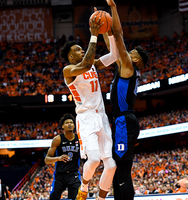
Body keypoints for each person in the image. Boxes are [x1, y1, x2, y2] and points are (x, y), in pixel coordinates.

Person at [60, 10, 118, 200]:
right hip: (85, 118)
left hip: (101, 116)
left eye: (81, 48)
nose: (81, 50)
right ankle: (84, 187)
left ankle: (100, 199)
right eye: (76, 50)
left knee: (111, 166)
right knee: (93, 159)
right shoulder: (69, 70)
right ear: (70, 57)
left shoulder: (91, 62)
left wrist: (107, 30)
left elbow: (114, 56)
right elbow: (84, 65)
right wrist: (93, 34)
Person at [105, 1, 150, 200]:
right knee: (116, 169)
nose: (127, 53)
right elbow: (113, 46)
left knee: (122, 170)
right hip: (121, 122)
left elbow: (119, 37)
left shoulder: (130, 69)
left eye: (132, 53)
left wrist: (113, 8)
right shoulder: (123, 68)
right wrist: (104, 29)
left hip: (124, 121)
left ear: (137, 60)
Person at [44, 113, 81, 200]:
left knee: (77, 198)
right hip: (60, 175)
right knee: (53, 197)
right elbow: (46, 159)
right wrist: (58, 158)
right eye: (67, 123)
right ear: (63, 126)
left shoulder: (79, 139)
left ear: (74, 125)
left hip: (74, 174)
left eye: (71, 123)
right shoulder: (57, 139)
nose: (69, 124)